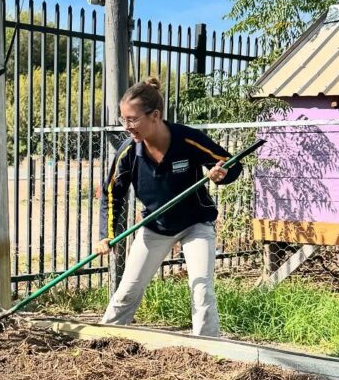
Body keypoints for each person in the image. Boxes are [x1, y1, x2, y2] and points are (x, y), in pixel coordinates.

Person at [96, 77, 241, 337]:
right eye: (123, 119)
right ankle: (105, 339)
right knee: (128, 289)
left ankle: (207, 348)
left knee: (201, 288)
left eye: (132, 119)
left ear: (155, 116)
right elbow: (111, 194)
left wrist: (221, 174)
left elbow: (231, 164)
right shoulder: (128, 151)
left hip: (195, 223)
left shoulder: (187, 139)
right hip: (155, 226)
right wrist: (106, 235)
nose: (127, 127)